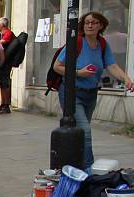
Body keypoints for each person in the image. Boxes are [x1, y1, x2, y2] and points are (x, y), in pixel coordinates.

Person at [53, 11, 134, 168]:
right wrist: (79, 73)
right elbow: (57, 66)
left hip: (90, 94)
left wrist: (126, 79)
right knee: (85, 131)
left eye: (94, 22)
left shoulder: (102, 44)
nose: (90, 25)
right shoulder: (76, 42)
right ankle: (89, 170)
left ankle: (75, 165)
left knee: (81, 133)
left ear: (101, 25)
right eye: (87, 22)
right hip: (72, 93)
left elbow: (111, 65)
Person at [0, 18, 15, 114]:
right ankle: (2, 104)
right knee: (1, 83)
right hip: (2, 62)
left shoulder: (8, 33)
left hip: (6, 63)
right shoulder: (2, 34)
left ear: (3, 25)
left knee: (5, 83)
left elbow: (1, 44)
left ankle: (6, 105)